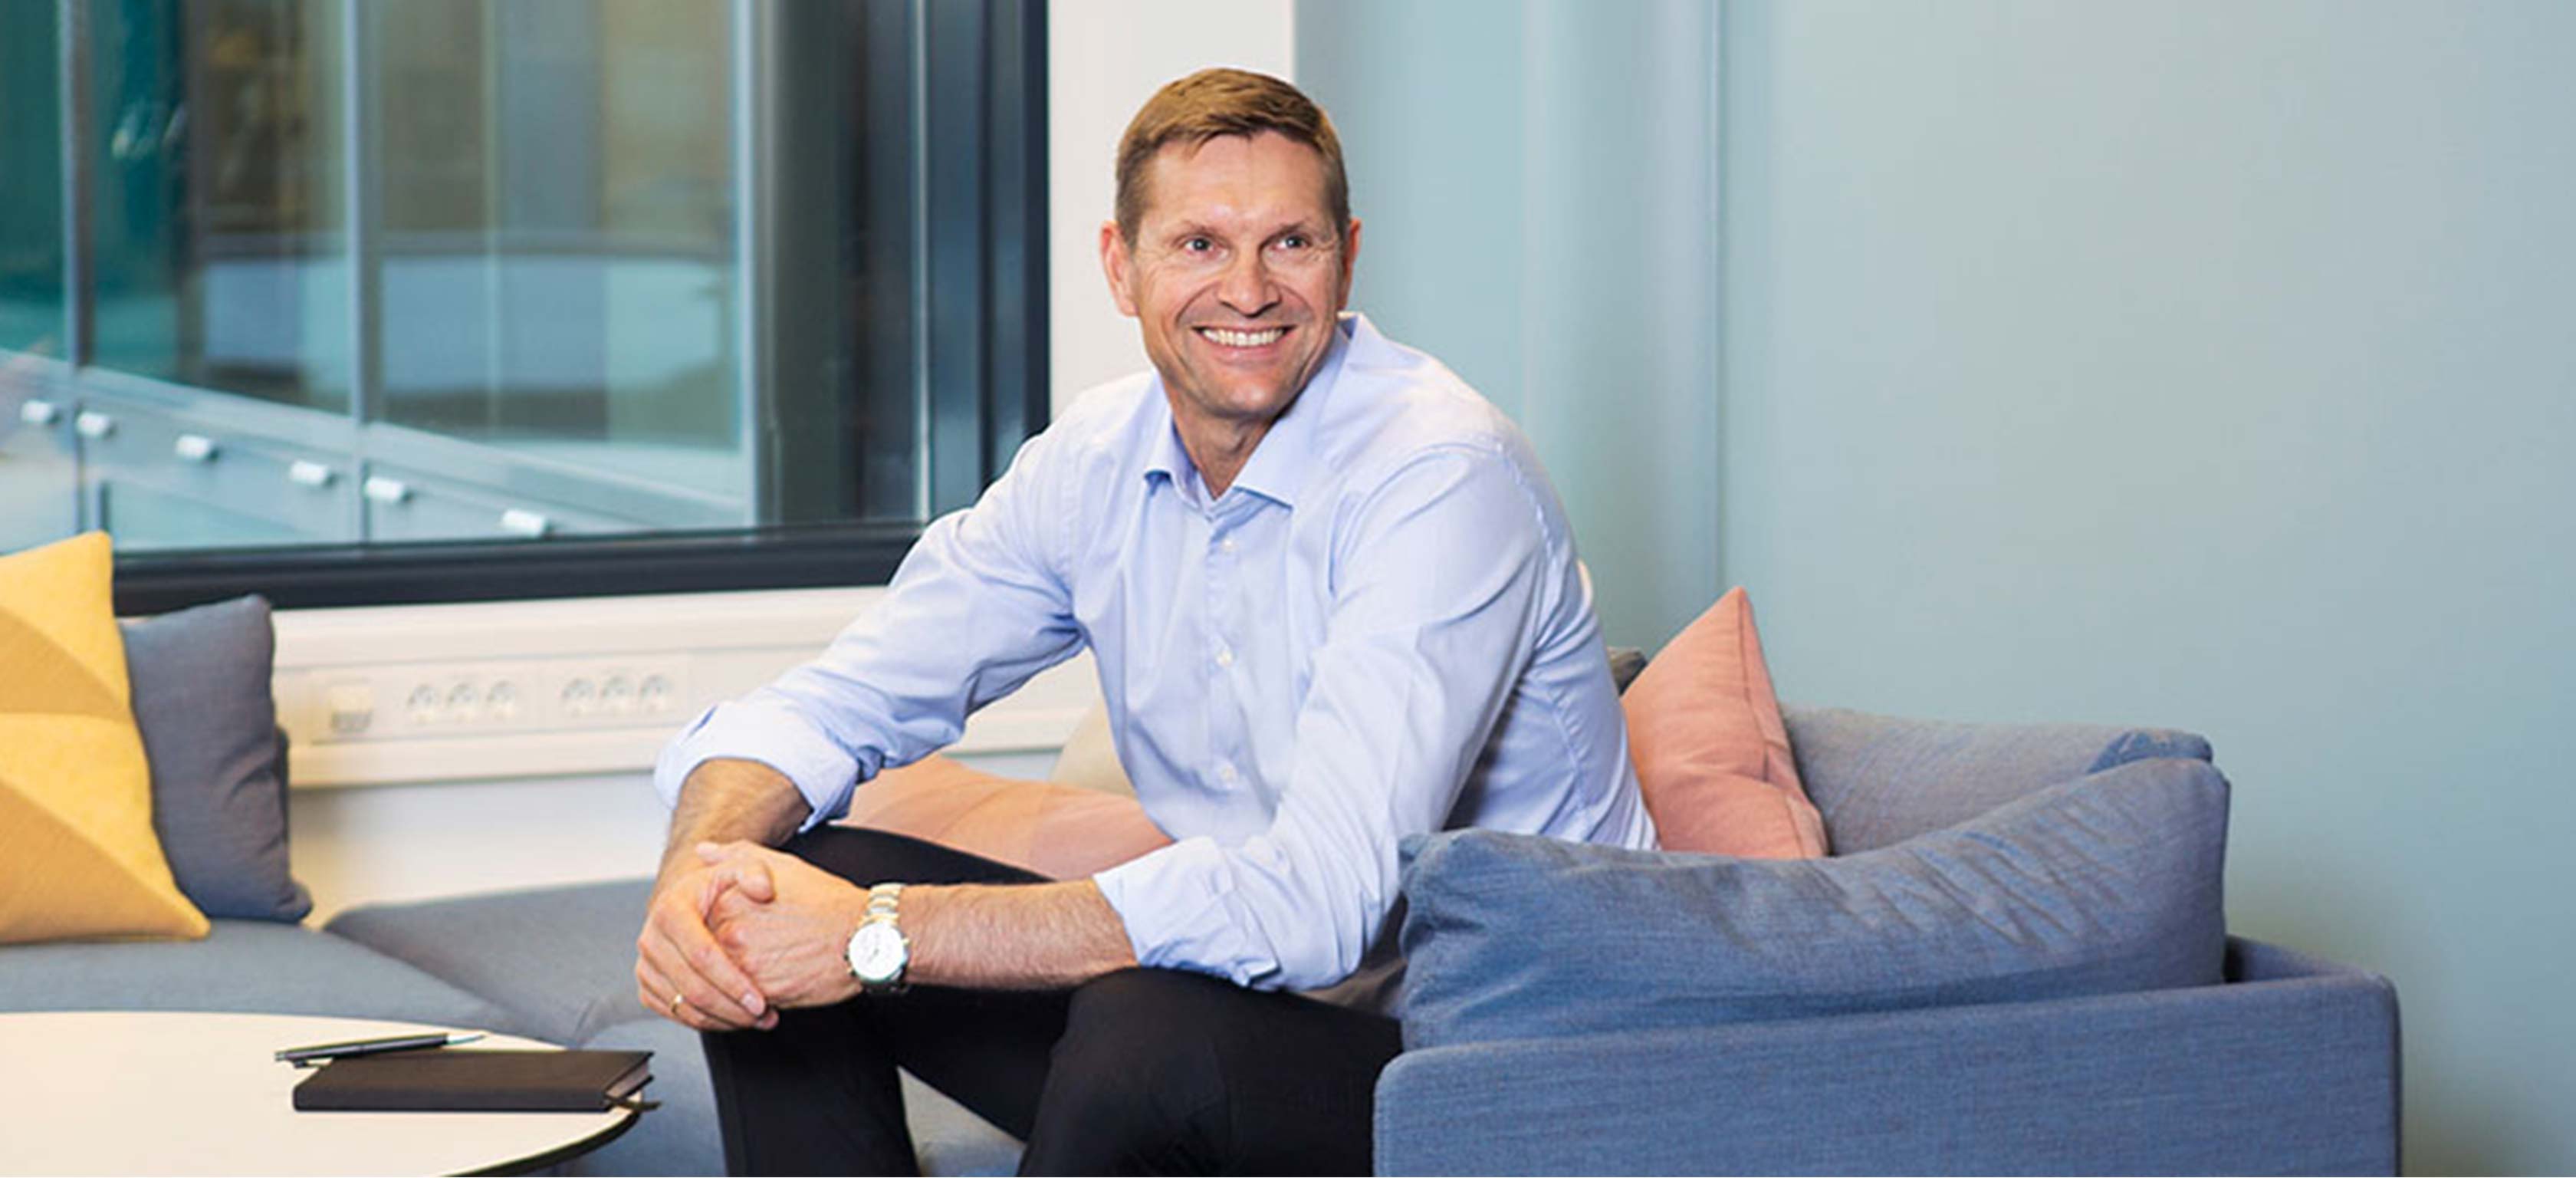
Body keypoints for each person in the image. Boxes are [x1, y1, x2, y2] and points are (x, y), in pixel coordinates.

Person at [636, 67, 1656, 1176]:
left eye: (1290, 243)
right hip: (1261, 1009)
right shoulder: (1097, 462)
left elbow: (1322, 907)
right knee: (766, 896)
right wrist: (698, 878)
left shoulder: (1440, 477)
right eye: (1199, 245)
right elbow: (835, 706)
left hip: (1507, 1068)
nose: (1249, 291)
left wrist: (875, 934)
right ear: (1120, 267)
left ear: (1348, 257)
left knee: (1149, 1035)